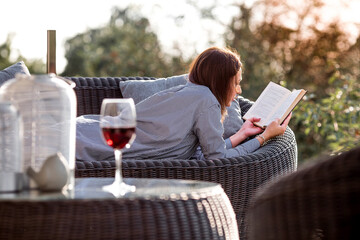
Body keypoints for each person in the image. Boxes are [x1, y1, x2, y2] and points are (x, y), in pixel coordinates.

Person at [121, 46, 291, 160]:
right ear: (221, 82)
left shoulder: (191, 93)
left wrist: (242, 134)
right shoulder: (206, 101)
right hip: (106, 147)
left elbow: (208, 151)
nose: (239, 91)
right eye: (236, 83)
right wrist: (264, 137)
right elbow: (218, 159)